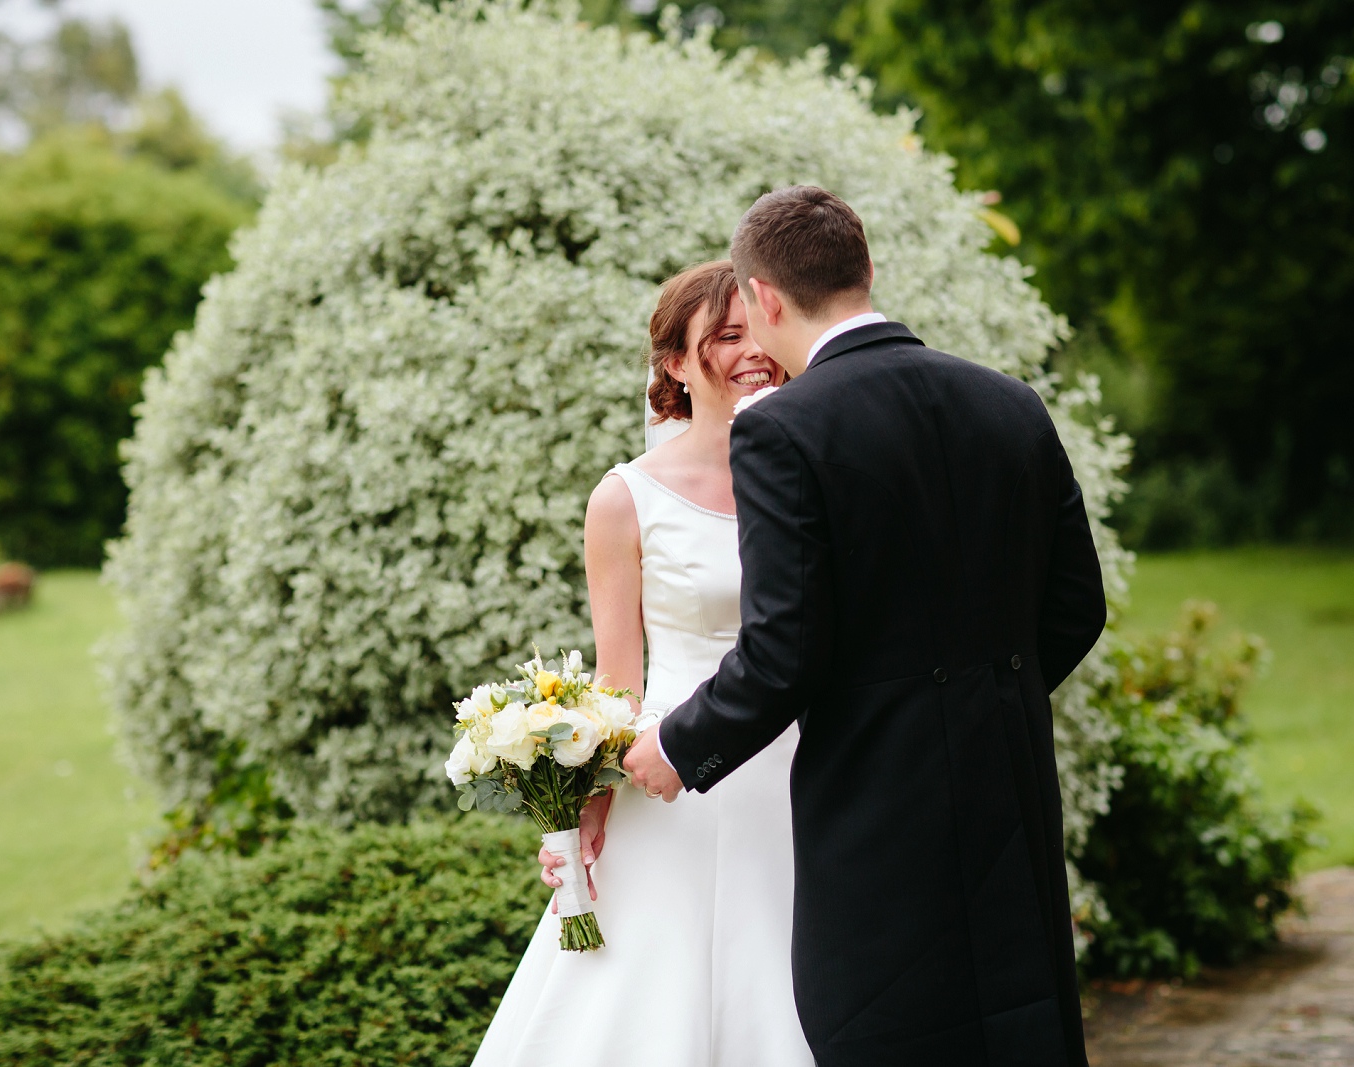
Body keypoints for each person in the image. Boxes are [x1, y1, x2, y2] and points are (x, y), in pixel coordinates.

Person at [625, 186, 1108, 1066]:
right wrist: (980, 698)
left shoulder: (781, 430)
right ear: (868, 269)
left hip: (874, 807)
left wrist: (680, 744)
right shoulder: (1011, 401)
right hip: (1011, 794)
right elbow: (1077, 602)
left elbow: (784, 649)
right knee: (1019, 1030)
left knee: (890, 1034)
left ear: (763, 297)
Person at [472, 260, 814, 1067]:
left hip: (808, 772)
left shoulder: (819, 475)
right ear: (674, 364)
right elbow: (618, 680)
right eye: (725, 336)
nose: (752, 351)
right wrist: (584, 803)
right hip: (674, 779)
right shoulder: (626, 498)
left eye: (758, 330)